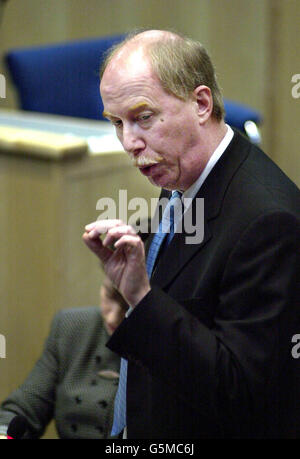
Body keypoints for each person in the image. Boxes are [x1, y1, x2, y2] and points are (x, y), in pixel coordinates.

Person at [82, 29, 300, 439]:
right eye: (116, 122)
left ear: (201, 103)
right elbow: (198, 272)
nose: (129, 142)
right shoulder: (184, 169)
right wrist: (138, 264)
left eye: (143, 117)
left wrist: (142, 301)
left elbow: (241, 393)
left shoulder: (270, 223)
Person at [0, 276, 128, 439]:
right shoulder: (72, 328)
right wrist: (4, 433)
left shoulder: (160, 343)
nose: (112, 317)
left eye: (127, 307)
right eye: (110, 296)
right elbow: (24, 407)